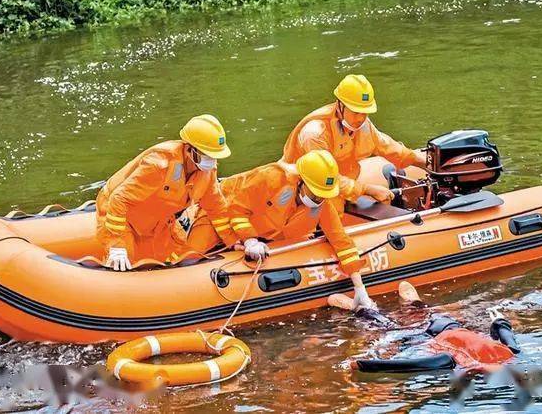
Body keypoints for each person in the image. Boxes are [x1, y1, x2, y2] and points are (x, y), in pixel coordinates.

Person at [222, 149, 377, 309]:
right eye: (316, 193)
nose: (319, 199)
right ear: (300, 180)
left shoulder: (322, 204)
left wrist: (360, 288)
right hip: (235, 231)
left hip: (275, 244)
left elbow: (341, 241)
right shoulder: (269, 179)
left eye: (323, 195)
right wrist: (250, 240)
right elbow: (236, 208)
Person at [95, 115, 238, 271]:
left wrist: (233, 241)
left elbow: (216, 208)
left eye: (215, 157)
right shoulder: (159, 165)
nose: (212, 162)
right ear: (190, 149)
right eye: (208, 156)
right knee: (122, 263)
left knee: (174, 260)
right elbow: (119, 200)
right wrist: (117, 245)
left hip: (157, 218)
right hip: (121, 212)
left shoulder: (206, 173)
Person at [281, 74, 428, 204]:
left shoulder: (362, 125)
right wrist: (367, 190)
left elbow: (387, 146)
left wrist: (425, 163)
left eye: (365, 112)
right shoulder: (315, 134)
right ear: (340, 104)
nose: (361, 118)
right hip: (308, 192)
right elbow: (324, 179)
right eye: (356, 112)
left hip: (340, 187)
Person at [328, 282, 520, 374]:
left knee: (386, 327)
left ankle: (359, 308)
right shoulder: (510, 354)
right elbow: (506, 334)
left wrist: (363, 365)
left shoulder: (456, 362)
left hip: (424, 340)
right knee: (427, 312)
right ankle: (413, 302)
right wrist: (500, 320)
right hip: (448, 327)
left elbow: (414, 364)